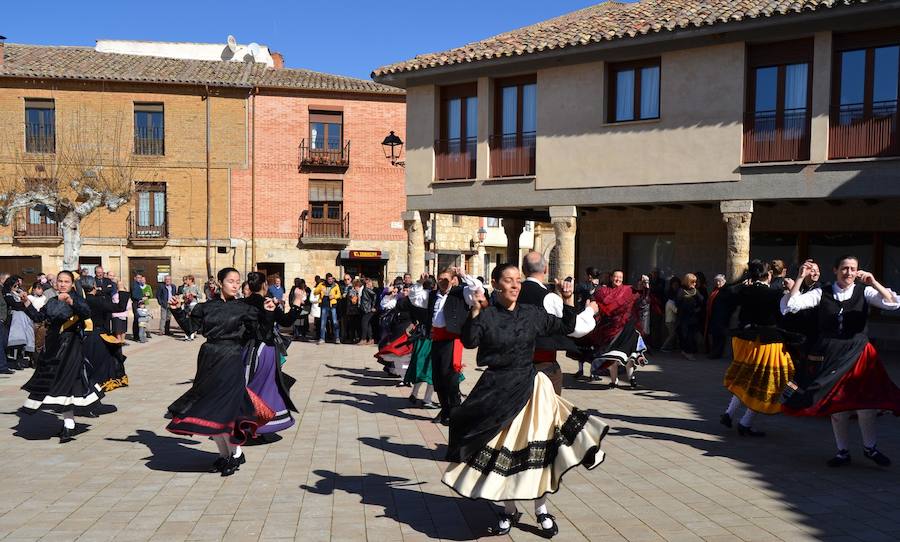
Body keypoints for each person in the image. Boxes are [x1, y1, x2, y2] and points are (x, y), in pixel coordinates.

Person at [443, 263, 609, 537]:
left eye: (517, 280)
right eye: (508, 280)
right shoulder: (487, 316)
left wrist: (568, 299)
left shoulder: (532, 314)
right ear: (496, 283)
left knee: (536, 452)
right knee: (504, 454)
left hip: (531, 390)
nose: (515, 285)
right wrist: (474, 310)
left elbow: (566, 325)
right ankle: (509, 509)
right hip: (497, 391)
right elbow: (470, 341)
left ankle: (541, 508)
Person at [781, 257, 900, 467]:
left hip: (860, 354)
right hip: (832, 355)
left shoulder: (865, 291)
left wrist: (874, 283)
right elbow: (792, 304)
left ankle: (869, 448)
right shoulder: (822, 292)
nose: (849, 273)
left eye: (853, 269)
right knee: (838, 407)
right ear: (835, 270)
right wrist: (800, 278)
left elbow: (892, 303)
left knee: (867, 407)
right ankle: (842, 451)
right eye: (844, 268)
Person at [166, 267, 277, 476]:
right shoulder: (206, 307)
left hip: (232, 358)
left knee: (226, 410)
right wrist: (177, 310)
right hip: (209, 359)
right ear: (220, 283)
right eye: (231, 281)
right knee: (209, 408)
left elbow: (262, 334)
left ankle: (235, 454)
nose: (235, 285)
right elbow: (190, 327)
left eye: (238, 281)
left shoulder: (245, 308)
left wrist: (269, 314)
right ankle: (224, 455)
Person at [20, 270, 102, 442]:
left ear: (72, 284)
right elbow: (39, 317)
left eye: (66, 281)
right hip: (53, 348)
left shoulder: (77, 299)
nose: (63, 284)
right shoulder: (51, 301)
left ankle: (68, 426)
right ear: (55, 283)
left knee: (67, 382)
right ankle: (69, 424)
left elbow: (86, 313)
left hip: (71, 346)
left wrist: (72, 301)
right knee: (59, 385)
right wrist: (26, 302)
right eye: (60, 281)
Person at [720, 260, 799, 437]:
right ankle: (744, 422)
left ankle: (729, 413)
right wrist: (793, 285)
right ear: (768, 274)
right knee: (765, 383)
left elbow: (725, 293)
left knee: (747, 378)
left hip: (745, 339)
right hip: (767, 343)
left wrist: (742, 284)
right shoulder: (773, 293)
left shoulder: (745, 290)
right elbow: (789, 308)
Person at [412, 267, 483, 425]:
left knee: (450, 377)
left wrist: (463, 275)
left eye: (446, 279)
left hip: (452, 340)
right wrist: (419, 282)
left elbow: (477, 288)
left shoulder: (461, 293)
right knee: (437, 377)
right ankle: (445, 410)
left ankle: (455, 410)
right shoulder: (432, 295)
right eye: (440, 279)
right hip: (436, 339)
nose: (443, 282)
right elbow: (415, 298)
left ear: (452, 280)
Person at [519, 251, 597, 394]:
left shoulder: (511, 294)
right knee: (547, 412)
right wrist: (590, 310)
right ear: (546, 269)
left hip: (513, 366)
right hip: (542, 365)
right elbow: (576, 328)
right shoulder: (549, 298)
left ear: (523, 270)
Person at [244, 272, 305, 436]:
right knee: (266, 387)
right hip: (265, 350)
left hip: (244, 350)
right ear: (264, 286)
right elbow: (286, 321)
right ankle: (260, 423)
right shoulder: (267, 302)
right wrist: (297, 302)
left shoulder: (241, 303)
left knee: (248, 384)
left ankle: (244, 422)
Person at [578, 270, 649, 388]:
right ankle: (613, 381)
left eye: (620, 277)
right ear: (611, 278)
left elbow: (642, 296)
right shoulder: (603, 291)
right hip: (609, 330)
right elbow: (596, 303)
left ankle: (632, 379)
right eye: (616, 277)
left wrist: (645, 286)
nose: (618, 279)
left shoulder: (628, 289)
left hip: (627, 328)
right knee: (612, 357)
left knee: (630, 357)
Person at [81, 275, 131, 392]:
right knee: (106, 360)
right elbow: (120, 307)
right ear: (93, 285)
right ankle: (103, 382)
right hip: (99, 335)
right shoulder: (97, 301)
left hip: (86, 336)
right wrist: (121, 289)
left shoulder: (82, 300)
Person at [4, 275, 35, 369]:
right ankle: (14, 361)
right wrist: (23, 303)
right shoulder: (7, 293)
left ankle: (23, 360)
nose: (17, 287)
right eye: (15, 285)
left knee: (25, 338)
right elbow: (13, 304)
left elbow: (27, 302)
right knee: (16, 340)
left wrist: (23, 299)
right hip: (14, 319)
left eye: (18, 285)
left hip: (23, 318)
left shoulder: (18, 292)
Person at [676, 273, 705, 360]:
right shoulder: (681, 291)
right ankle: (687, 352)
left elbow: (702, 301)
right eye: (693, 282)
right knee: (685, 335)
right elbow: (678, 303)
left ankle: (688, 351)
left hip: (693, 317)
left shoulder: (695, 291)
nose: (695, 284)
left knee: (691, 335)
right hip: (684, 317)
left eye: (695, 282)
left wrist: (697, 308)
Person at [705, 274, 731, 359]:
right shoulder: (715, 290)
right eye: (716, 281)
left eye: (719, 281)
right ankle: (714, 352)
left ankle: (716, 354)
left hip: (722, 318)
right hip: (714, 317)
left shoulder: (726, 290)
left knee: (720, 336)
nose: (717, 283)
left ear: (724, 281)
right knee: (715, 336)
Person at [314, 274, 342, 344]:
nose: (330, 280)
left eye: (331, 279)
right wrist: (320, 289)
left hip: (332, 305)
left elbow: (339, 295)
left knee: (335, 322)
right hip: (324, 305)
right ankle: (322, 338)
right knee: (323, 322)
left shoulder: (335, 285)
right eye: (329, 279)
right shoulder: (321, 284)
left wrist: (334, 296)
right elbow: (315, 292)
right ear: (326, 279)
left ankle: (337, 338)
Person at [359, 278, 378, 345]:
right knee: (368, 324)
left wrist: (373, 306)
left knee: (364, 323)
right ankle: (370, 339)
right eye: (366, 283)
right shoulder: (365, 289)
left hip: (368, 309)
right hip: (366, 309)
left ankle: (363, 339)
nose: (367, 284)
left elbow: (375, 296)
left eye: (369, 283)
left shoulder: (367, 290)